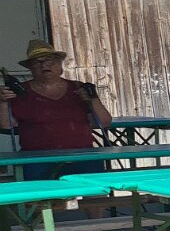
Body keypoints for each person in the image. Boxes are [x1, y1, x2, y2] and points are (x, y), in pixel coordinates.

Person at [0, 38, 113, 181]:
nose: (44, 65)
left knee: (95, 190)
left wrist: (93, 99)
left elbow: (104, 122)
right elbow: (7, 125)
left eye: (50, 61)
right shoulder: (20, 91)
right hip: (37, 159)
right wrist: (3, 102)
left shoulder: (78, 88)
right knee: (42, 193)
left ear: (60, 66)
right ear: (31, 69)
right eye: (37, 62)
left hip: (83, 155)